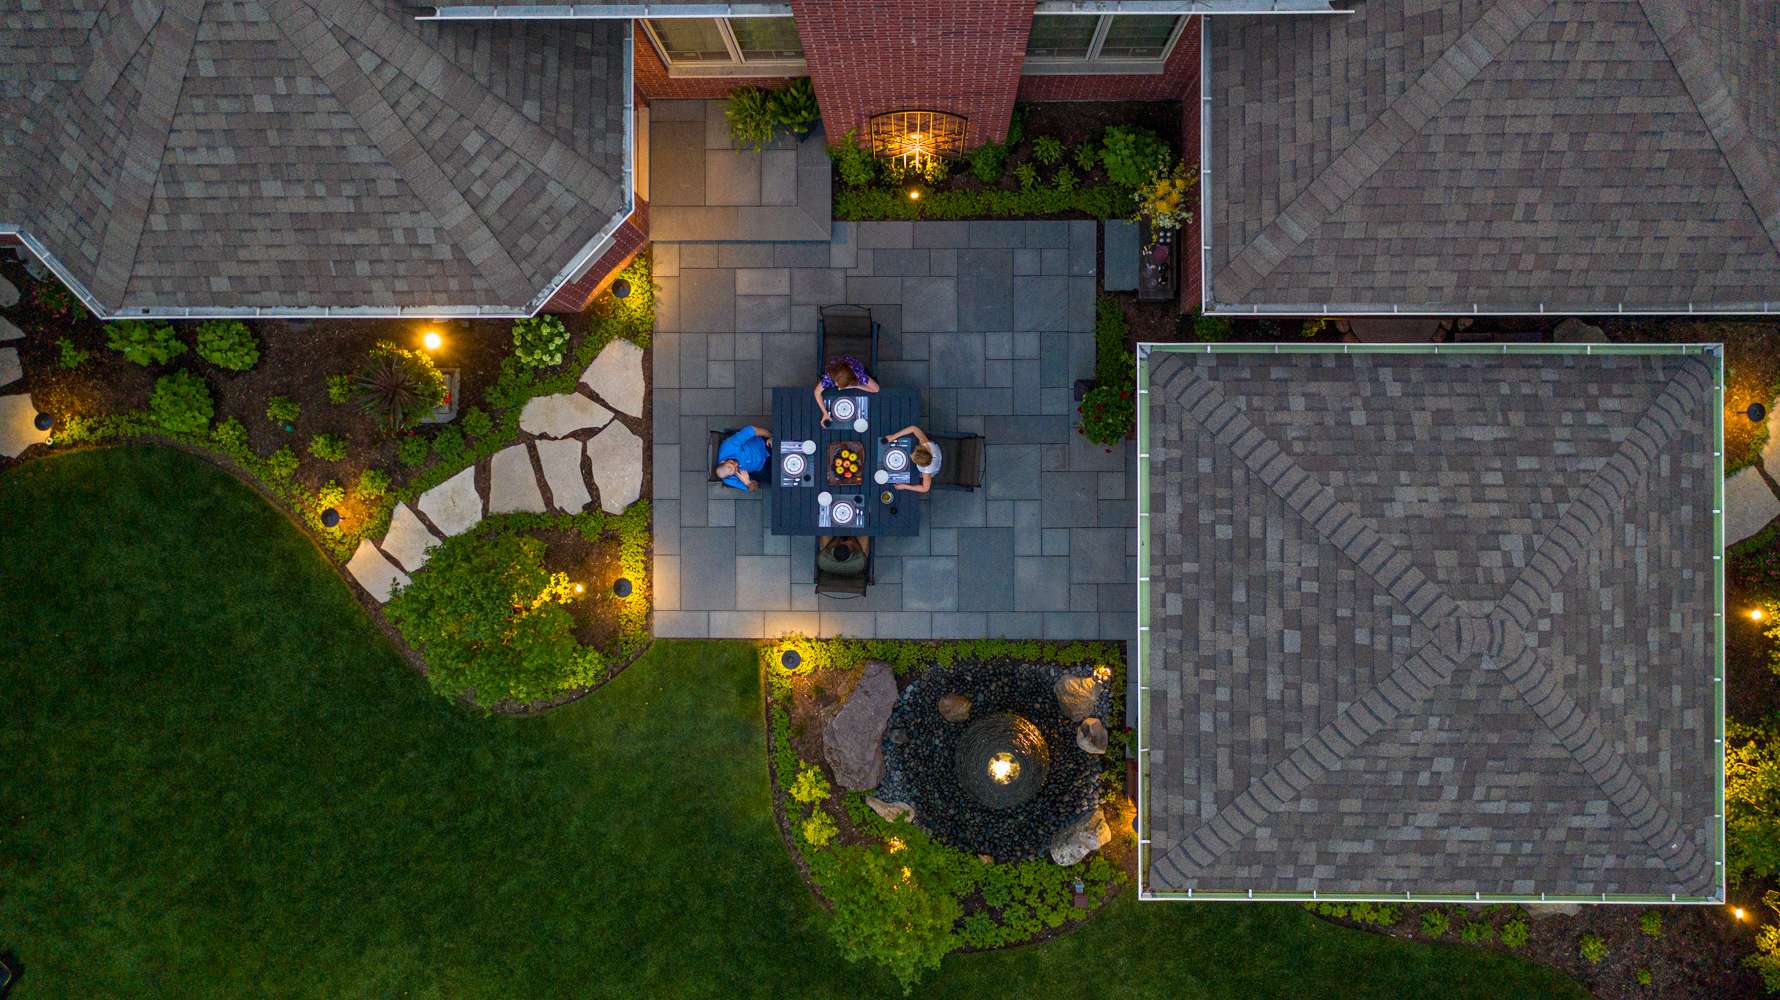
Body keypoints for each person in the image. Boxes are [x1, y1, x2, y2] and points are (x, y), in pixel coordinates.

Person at [813, 355, 880, 426]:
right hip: (839, 366)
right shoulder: (831, 375)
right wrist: (825, 413)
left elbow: (876, 389)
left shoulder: (858, 374)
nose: (836, 385)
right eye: (835, 382)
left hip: (852, 369)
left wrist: (856, 386)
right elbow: (817, 392)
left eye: (839, 384)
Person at [881, 424, 940, 494]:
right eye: (914, 453)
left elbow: (925, 488)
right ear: (922, 449)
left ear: (920, 465)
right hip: (935, 452)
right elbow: (914, 428)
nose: (910, 455)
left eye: (913, 459)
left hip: (935, 466)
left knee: (911, 475)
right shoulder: (926, 444)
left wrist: (905, 486)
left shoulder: (926, 471)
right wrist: (893, 437)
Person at [713, 425, 772, 491]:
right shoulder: (728, 480)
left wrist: (771, 436)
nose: (736, 464)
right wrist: (747, 483)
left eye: (732, 462)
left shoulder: (729, 446)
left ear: (723, 462)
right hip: (762, 468)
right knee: (781, 479)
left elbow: (751, 430)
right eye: (735, 470)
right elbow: (753, 489)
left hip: (764, 446)